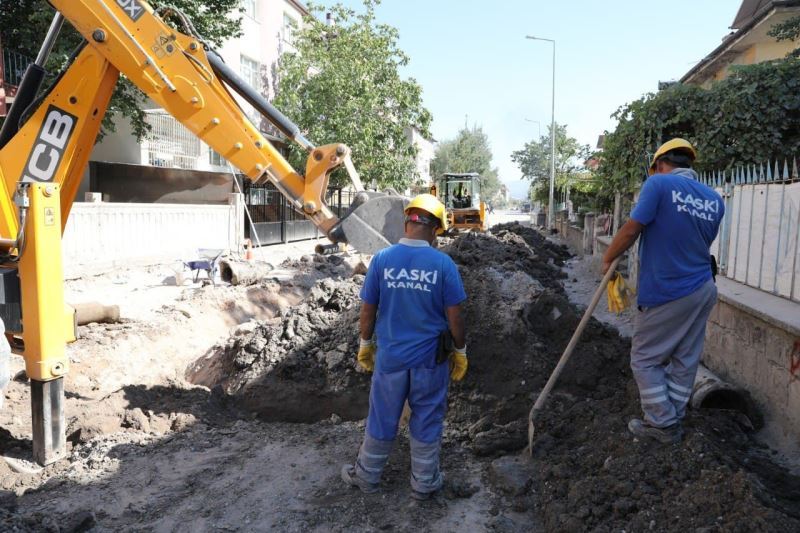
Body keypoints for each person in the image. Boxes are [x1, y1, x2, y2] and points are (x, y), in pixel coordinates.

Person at [341, 193, 467, 500]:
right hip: (430, 360)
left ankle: (368, 477)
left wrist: (365, 344)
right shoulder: (443, 264)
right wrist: (460, 351)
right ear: (436, 228)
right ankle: (424, 483)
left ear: (405, 221)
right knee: (426, 416)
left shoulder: (382, 260)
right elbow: (456, 317)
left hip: (391, 357)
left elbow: (368, 310)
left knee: (383, 415)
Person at [602, 138, 723, 444]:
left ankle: (662, 423)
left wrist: (607, 260)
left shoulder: (658, 185)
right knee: (685, 357)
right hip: (704, 287)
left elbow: (632, 229)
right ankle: (676, 415)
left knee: (645, 358)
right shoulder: (714, 199)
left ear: (659, 165)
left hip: (669, 289)